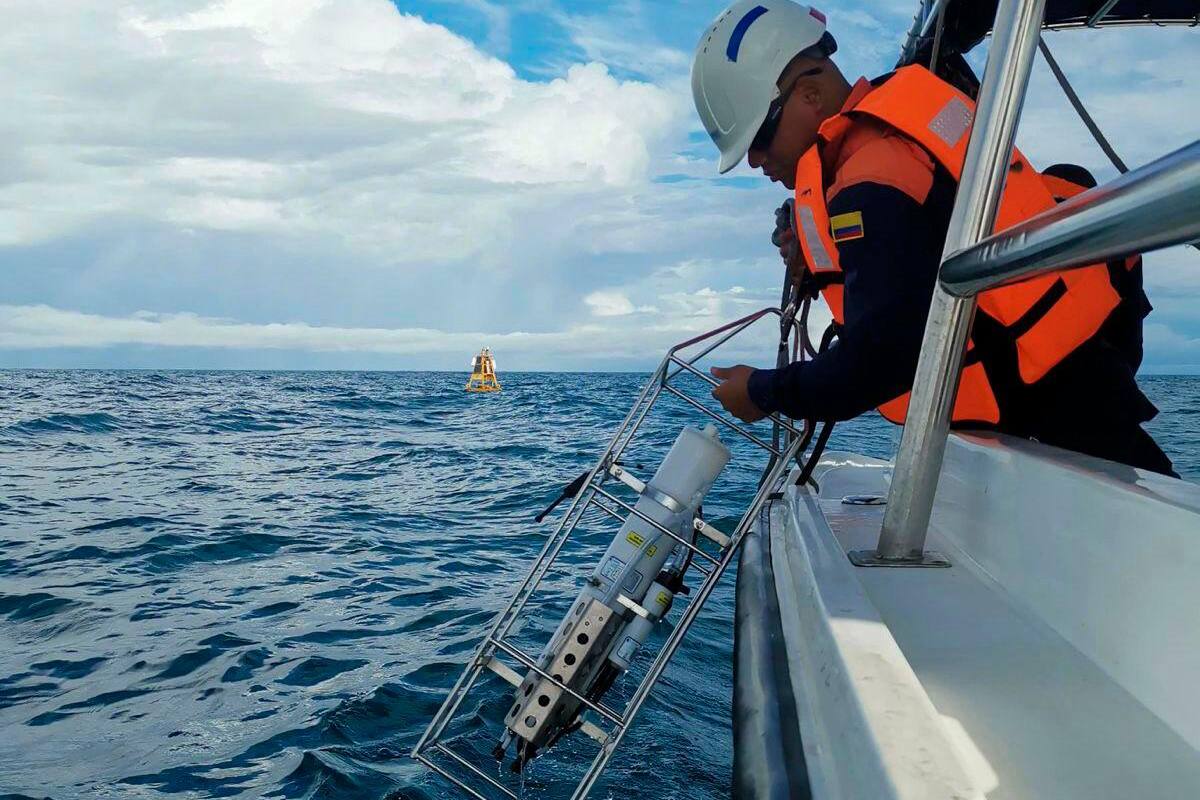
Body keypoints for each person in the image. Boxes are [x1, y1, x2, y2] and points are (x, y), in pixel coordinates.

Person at [691, 0, 1175, 476]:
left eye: (757, 138)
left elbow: (881, 357)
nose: (755, 161)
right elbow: (914, 259)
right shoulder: (884, 149)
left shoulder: (869, 179)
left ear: (808, 96)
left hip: (1055, 418)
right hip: (1072, 385)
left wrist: (762, 392)